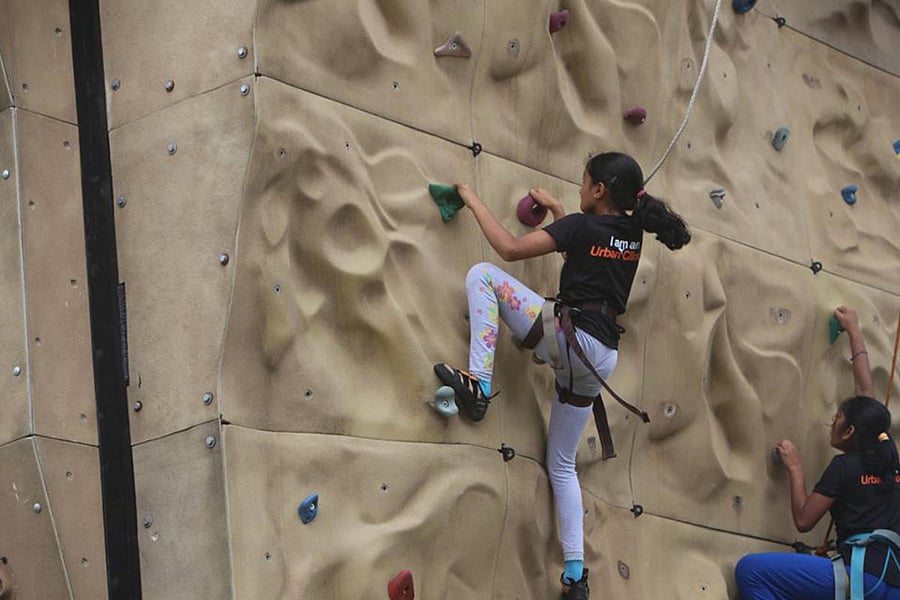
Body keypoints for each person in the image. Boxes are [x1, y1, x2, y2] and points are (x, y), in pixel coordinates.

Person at [433, 152, 691, 599]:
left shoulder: (582, 227)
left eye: (582, 181)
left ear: (598, 191)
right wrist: (558, 214)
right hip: (600, 357)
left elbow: (510, 249)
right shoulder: (632, 233)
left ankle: (478, 382)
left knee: (484, 276)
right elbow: (589, 256)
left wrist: (473, 200)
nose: (577, 188)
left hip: (569, 339)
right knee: (563, 464)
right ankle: (575, 575)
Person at [735, 306, 900, 599]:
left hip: (860, 578)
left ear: (850, 432)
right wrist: (854, 330)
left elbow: (804, 519)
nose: (832, 422)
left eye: (837, 418)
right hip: (891, 581)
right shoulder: (889, 457)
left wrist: (795, 468)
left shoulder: (844, 467)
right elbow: (865, 394)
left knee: (752, 571)